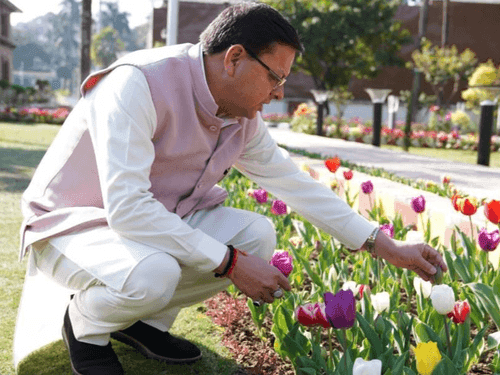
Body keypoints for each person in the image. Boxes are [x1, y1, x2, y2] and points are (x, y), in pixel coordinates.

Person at [18, 2, 446, 374]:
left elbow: (292, 182)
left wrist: (379, 243)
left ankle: (143, 325)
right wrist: (230, 264)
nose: (278, 94)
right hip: (71, 226)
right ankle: (86, 326)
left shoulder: (241, 116)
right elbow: (128, 209)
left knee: (256, 234)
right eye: (275, 78)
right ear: (234, 58)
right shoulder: (139, 83)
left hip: (153, 223)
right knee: (157, 272)